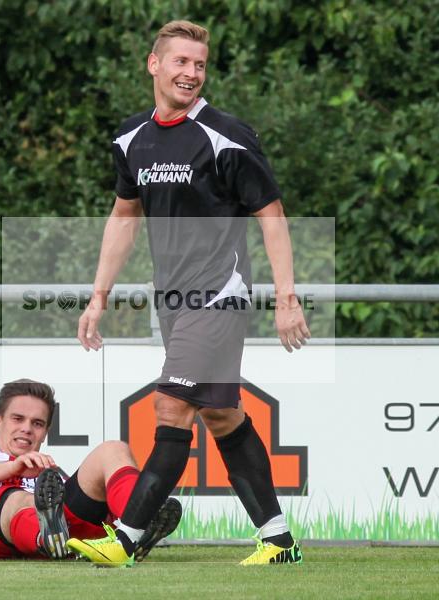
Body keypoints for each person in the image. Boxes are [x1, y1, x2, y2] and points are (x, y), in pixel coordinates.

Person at [71, 20, 309, 567]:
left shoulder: (228, 135)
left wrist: (286, 297)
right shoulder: (132, 139)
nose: (191, 73)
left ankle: (125, 540)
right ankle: (278, 541)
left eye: (199, 65)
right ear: (154, 65)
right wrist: (98, 296)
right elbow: (124, 218)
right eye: (180, 62)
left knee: (170, 405)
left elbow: (271, 216)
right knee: (221, 416)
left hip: (219, 294)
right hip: (173, 302)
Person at [0, 378, 181, 560]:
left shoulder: (51, 473)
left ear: (45, 432)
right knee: (20, 499)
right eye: (17, 418)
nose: (26, 428)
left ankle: (137, 523)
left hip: (64, 534)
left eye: (37, 423)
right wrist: (13, 467)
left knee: (112, 449)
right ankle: (47, 535)